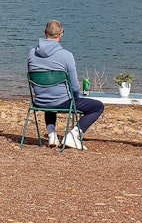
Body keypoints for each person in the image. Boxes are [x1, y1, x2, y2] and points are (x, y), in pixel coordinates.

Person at [27, 20, 105, 150]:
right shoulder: (66, 55)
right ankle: (73, 135)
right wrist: (76, 97)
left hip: (40, 101)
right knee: (98, 107)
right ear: (61, 35)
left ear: (44, 32)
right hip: (61, 102)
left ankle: (52, 134)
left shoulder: (32, 53)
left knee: (49, 93)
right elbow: (74, 86)